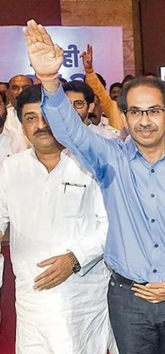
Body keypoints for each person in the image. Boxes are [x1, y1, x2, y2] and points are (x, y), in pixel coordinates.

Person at [24, 19, 165, 353]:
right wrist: (50, 81)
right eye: (135, 112)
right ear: (123, 117)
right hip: (129, 301)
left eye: (153, 110)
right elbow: (70, 133)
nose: (144, 120)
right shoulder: (109, 159)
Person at [0, 84, 116, 353]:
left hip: (82, 296)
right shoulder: (10, 169)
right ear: (21, 124)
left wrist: (74, 259)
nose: (41, 125)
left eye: (47, 116)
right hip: (33, 300)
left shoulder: (91, 163)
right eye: (31, 118)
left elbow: (110, 224)